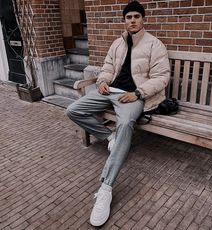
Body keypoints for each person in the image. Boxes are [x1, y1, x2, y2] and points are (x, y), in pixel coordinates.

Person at [66, 0, 170, 227]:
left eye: (136, 16)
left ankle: (106, 188)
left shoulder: (155, 45)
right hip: (109, 92)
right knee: (73, 110)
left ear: (143, 19)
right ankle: (108, 137)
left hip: (132, 97)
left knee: (125, 125)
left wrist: (138, 93)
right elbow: (107, 68)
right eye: (128, 17)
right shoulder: (117, 43)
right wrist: (102, 81)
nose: (132, 20)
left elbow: (162, 77)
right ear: (124, 21)